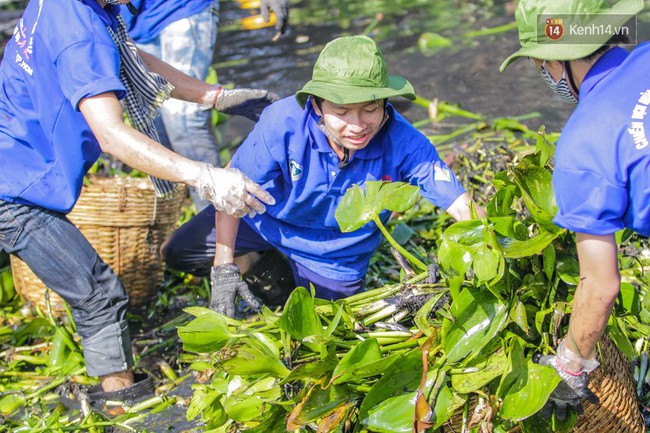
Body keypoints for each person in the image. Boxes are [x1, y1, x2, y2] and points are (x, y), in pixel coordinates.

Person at [0, 0, 277, 398]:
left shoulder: (75, 8)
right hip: (15, 188)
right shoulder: (81, 34)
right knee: (98, 295)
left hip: (16, 160)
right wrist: (204, 175)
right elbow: (110, 135)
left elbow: (124, 55)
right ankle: (121, 406)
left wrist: (214, 96)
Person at [162, 35, 485, 318]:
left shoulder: (405, 140)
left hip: (334, 254)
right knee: (179, 249)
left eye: (370, 109)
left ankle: (287, 286)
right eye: (342, 113)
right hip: (264, 220)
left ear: (385, 104)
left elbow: (460, 204)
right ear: (316, 106)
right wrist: (224, 267)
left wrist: (475, 251)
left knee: (325, 325)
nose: (357, 125)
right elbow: (232, 187)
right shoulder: (282, 122)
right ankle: (264, 265)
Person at [499, 0, 647, 421]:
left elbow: (600, 286)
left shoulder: (583, 144)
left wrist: (568, 367)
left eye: (539, 65)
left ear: (557, 61)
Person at [121, 0, 289, 210]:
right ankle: (181, 223)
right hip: (131, 18)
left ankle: (215, 217)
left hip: (182, 8)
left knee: (183, 121)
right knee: (154, 127)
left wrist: (218, 97)